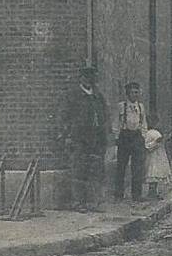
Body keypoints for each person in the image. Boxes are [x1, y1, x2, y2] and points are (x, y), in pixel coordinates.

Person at [60, 66, 108, 213]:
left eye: (92, 77)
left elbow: (105, 115)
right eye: (87, 77)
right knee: (78, 170)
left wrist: (104, 133)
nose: (90, 80)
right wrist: (67, 135)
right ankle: (78, 202)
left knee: (94, 171)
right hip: (79, 139)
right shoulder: (72, 95)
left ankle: (93, 202)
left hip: (96, 139)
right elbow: (63, 116)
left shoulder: (98, 96)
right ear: (81, 78)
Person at [112, 81, 148, 202]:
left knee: (137, 167)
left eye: (137, 92)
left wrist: (143, 137)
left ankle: (136, 194)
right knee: (121, 166)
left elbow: (144, 123)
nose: (135, 95)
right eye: (132, 92)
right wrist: (117, 138)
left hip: (137, 137)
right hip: (124, 137)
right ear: (128, 94)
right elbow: (116, 123)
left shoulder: (141, 107)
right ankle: (118, 194)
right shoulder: (121, 106)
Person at [144, 123, 171, 201]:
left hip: (159, 157)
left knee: (156, 175)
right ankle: (151, 193)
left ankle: (154, 192)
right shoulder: (148, 133)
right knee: (152, 174)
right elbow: (147, 146)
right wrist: (156, 142)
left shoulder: (156, 132)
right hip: (152, 158)